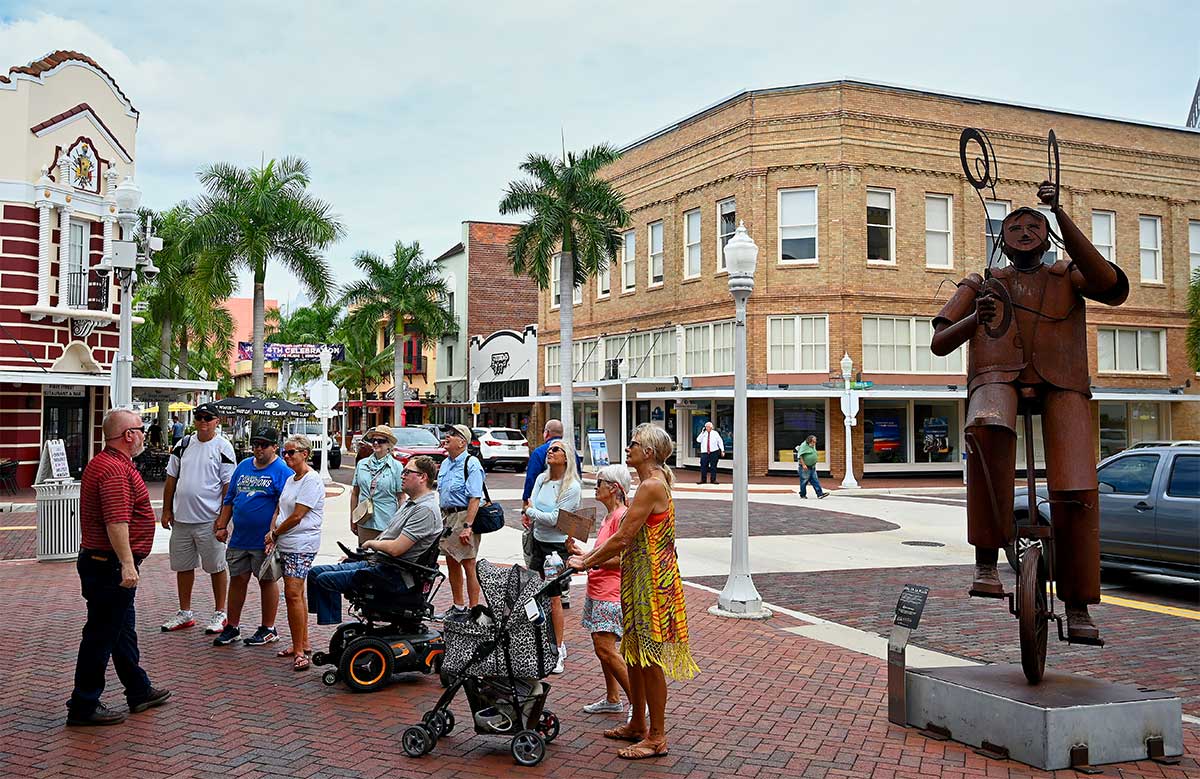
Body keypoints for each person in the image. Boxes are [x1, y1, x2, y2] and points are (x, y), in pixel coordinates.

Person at [931, 180, 1128, 642]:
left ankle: (1078, 607)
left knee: (1078, 482)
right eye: (1014, 225)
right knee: (986, 427)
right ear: (1001, 237)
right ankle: (986, 561)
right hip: (997, 376)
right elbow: (940, 341)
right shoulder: (983, 282)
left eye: (1033, 224)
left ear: (1049, 233)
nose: (1023, 231)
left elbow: (1110, 286)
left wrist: (1061, 212)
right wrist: (974, 318)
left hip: (1063, 382)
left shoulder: (1068, 275)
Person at [568, 423, 698, 760]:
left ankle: (656, 737)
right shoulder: (650, 484)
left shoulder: (651, 486)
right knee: (635, 655)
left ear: (649, 453)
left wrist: (587, 562)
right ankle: (638, 724)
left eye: (634, 444)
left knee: (650, 659)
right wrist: (590, 558)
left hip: (653, 581)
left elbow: (623, 538)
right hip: (640, 577)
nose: (628, 448)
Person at [67, 408, 171, 726]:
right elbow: (116, 521)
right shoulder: (113, 469)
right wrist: (127, 564)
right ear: (128, 435)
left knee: (122, 630)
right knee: (101, 635)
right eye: (141, 429)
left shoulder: (111, 463)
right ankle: (83, 704)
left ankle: (138, 690)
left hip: (105, 564)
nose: (144, 434)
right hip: (109, 566)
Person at [308, 456, 443, 626]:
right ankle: (318, 622)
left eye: (407, 472)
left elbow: (396, 549)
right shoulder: (412, 504)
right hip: (381, 563)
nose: (402, 476)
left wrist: (371, 543)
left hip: (395, 574)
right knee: (314, 573)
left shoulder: (425, 510)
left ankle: (330, 624)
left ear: (423, 477)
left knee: (325, 580)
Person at [211, 426, 293, 647]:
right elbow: (230, 498)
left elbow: (284, 506)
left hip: (264, 540)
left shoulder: (282, 471)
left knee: (266, 580)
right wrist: (221, 525)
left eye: (263, 445)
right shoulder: (244, 466)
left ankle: (268, 628)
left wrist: (274, 534)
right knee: (237, 579)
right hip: (240, 538)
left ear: (275, 447)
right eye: (255, 444)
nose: (258, 449)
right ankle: (233, 626)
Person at [160, 407, 237, 635]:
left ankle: (220, 612)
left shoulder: (223, 447)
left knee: (216, 566)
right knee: (183, 567)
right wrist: (166, 510)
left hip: (209, 520)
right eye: (199, 418)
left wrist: (223, 520)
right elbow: (171, 479)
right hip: (182, 519)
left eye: (208, 418)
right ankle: (185, 612)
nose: (203, 422)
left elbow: (227, 486)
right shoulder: (183, 444)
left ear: (216, 421)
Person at [566, 463, 632, 714]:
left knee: (604, 648)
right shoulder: (607, 517)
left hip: (611, 593)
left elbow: (623, 557)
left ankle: (638, 704)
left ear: (614, 488)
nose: (595, 487)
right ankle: (613, 698)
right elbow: (601, 554)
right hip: (598, 589)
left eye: (600, 483)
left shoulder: (622, 517)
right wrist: (581, 555)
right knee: (603, 649)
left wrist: (588, 561)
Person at [523, 438, 582, 675]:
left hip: (556, 548)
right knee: (538, 595)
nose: (550, 452)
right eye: (549, 449)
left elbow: (557, 520)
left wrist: (531, 512)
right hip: (537, 542)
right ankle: (542, 641)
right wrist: (536, 513)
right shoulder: (541, 479)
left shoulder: (572, 487)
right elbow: (536, 508)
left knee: (555, 597)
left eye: (556, 449)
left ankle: (558, 648)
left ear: (566, 456)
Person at [266, 435, 325, 671]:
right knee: (296, 594)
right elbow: (281, 507)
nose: (287, 456)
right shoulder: (292, 479)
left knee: (292, 593)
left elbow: (298, 515)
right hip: (286, 542)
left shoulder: (311, 480)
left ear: (305, 454)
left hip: (302, 543)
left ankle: (299, 650)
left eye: (292, 452)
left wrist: (275, 533)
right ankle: (302, 642)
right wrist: (273, 530)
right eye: (285, 452)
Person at [437, 424, 485, 620]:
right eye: (448, 434)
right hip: (447, 517)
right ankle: (458, 606)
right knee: (451, 562)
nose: (447, 437)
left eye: (453, 435)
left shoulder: (472, 463)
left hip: (464, 516)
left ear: (462, 442)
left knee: (468, 563)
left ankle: (474, 610)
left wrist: (468, 527)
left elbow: (475, 498)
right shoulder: (447, 463)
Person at [350, 424, 404, 545]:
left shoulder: (396, 467)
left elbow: (401, 497)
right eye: (374, 440)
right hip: (364, 519)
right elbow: (355, 494)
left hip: (386, 521)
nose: (376, 443)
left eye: (381, 441)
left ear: (389, 445)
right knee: (364, 556)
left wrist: (400, 523)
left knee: (382, 559)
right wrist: (352, 518)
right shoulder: (362, 464)